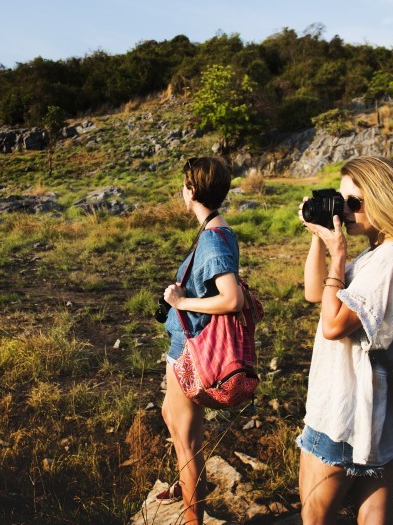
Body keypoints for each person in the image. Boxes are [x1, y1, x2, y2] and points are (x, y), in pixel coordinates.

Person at [297, 156, 393, 525]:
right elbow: (315, 292)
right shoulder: (379, 254)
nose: (346, 211)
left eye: (355, 202)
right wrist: (320, 237)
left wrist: (338, 256)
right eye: (342, 200)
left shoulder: (392, 259)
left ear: (384, 200)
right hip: (373, 412)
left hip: (345, 412)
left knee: (314, 519)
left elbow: (333, 324)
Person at [158, 156, 245, 524]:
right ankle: (185, 488)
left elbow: (232, 298)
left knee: (186, 442)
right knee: (171, 416)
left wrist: (181, 301)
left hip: (192, 351)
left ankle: (193, 517)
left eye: (184, 184)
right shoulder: (215, 230)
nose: (182, 189)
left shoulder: (212, 240)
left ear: (192, 191)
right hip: (184, 346)